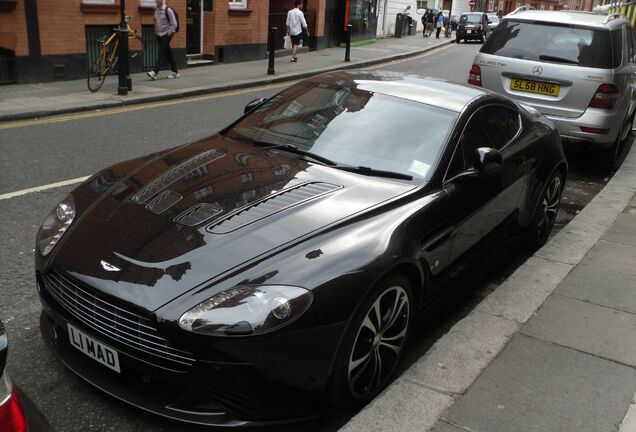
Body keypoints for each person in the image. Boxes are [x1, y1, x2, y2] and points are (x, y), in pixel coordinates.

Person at [147, 0, 179, 80]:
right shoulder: (156, 10)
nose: (156, 1)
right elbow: (155, 21)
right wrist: (156, 32)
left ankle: (154, 73)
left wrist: (168, 34)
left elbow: (174, 24)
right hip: (159, 35)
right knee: (168, 53)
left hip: (167, 34)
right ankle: (175, 72)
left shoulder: (168, 10)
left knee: (161, 53)